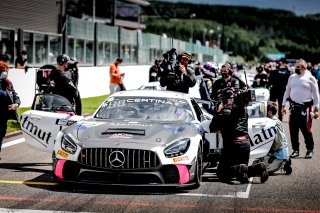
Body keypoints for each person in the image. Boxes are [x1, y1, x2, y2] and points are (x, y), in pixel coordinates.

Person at [209, 87, 268, 184]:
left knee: (222, 174)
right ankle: (258, 168)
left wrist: (219, 111)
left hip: (232, 145)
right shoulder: (243, 110)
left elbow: (212, 128)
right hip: (245, 143)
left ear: (224, 100)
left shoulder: (223, 113)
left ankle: (239, 169)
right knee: (242, 173)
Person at [282, 58, 319, 159]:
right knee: (293, 130)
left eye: (298, 67)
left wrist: (316, 109)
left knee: (306, 130)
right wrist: (283, 105)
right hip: (293, 108)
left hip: (306, 108)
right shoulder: (292, 77)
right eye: (295, 67)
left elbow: (316, 96)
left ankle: (309, 150)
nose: (296, 69)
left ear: (304, 67)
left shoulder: (311, 78)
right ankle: (295, 150)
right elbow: (287, 92)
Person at [253, 101, 292, 175]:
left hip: (278, 155)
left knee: (259, 169)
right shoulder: (274, 120)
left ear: (270, 112)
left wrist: (267, 150)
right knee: (257, 162)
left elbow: (278, 143)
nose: (263, 114)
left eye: (265, 112)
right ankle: (283, 162)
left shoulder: (273, 124)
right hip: (278, 153)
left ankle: (283, 163)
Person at [0, 61, 21, 159]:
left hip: (4, 115)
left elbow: (15, 96)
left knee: (1, 135)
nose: (5, 72)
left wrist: (16, 104)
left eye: (6, 70)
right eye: (3, 70)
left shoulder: (8, 83)